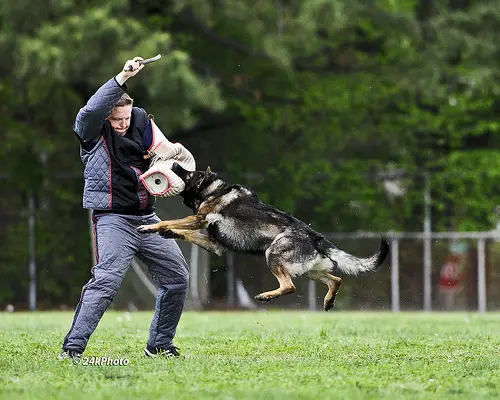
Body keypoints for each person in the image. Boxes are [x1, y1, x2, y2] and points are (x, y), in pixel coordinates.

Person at [59, 57, 190, 363]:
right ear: (107, 118)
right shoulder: (92, 131)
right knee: (106, 281)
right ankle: (72, 350)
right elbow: (91, 110)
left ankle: (158, 345)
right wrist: (122, 76)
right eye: (116, 120)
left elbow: (166, 151)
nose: (123, 124)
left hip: (146, 218)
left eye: (126, 119)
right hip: (113, 219)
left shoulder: (141, 121)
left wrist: (171, 167)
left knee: (177, 278)